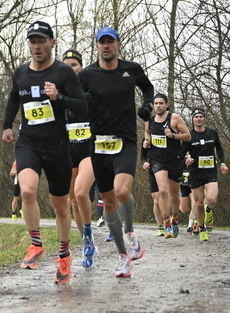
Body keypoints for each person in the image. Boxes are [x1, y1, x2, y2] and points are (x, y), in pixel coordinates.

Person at [2, 21, 87, 284]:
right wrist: (6, 126)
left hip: (59, 147)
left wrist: (59, 98)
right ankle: (36, 244)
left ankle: (63, 255)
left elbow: (83, 107)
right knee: (26, 190)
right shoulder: (21, 73)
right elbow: (14, 99)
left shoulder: (64, 73)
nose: (37, 46)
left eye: (42, 41)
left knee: (60, 205)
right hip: (29, 143)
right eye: (32, 41)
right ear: (28, 44)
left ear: (52, 43)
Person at [78, 26, 155, 278]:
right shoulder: (87, 74)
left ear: (118, 45)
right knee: (108, 200)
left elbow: (148, 88)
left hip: (125, 140)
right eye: (102, 42)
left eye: (110, 42)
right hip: (98, 143)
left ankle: (131, 233)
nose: (106, 46)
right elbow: (75, 103)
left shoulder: (131, 69)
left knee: (122, 191)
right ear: (97, 46)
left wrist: (147, 106)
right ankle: (123, 257)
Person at [61, 49, 97, 268]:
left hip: (89, 148)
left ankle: (89, 230)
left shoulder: (90, 90)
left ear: (81, 67)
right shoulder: (57, 93)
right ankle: (86, 238)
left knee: (81, 192)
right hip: (67, 150)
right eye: (66, 66)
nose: (70, 69)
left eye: (74, 65)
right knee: (72, 199)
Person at [141, 93, 191, 238]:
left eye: (161, 103)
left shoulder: (174, 118)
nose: (158, 106)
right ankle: (166, 224)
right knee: (162, 191)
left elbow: (188, 136)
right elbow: (147, 138)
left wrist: (173, 136)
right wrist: (147, 142)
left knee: (173, 195)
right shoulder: (149, 122)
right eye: (156, 103)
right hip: (157, 159)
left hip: (174, 159)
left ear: (167, 104)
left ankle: (174, 218)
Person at [184, 108, 229, 241]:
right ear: (192, 119)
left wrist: (223, 163)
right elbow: (182, 153)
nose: (198, 119)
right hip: (195, 172)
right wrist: (186, 160)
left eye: (201, 116)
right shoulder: (188, 136)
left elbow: (219, 149)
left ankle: (208, 209)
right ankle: (202, 228)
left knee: (212, 198)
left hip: (210, 171)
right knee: (198, 204)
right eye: (196, 117)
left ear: (204, 118)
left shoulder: (212, 133)